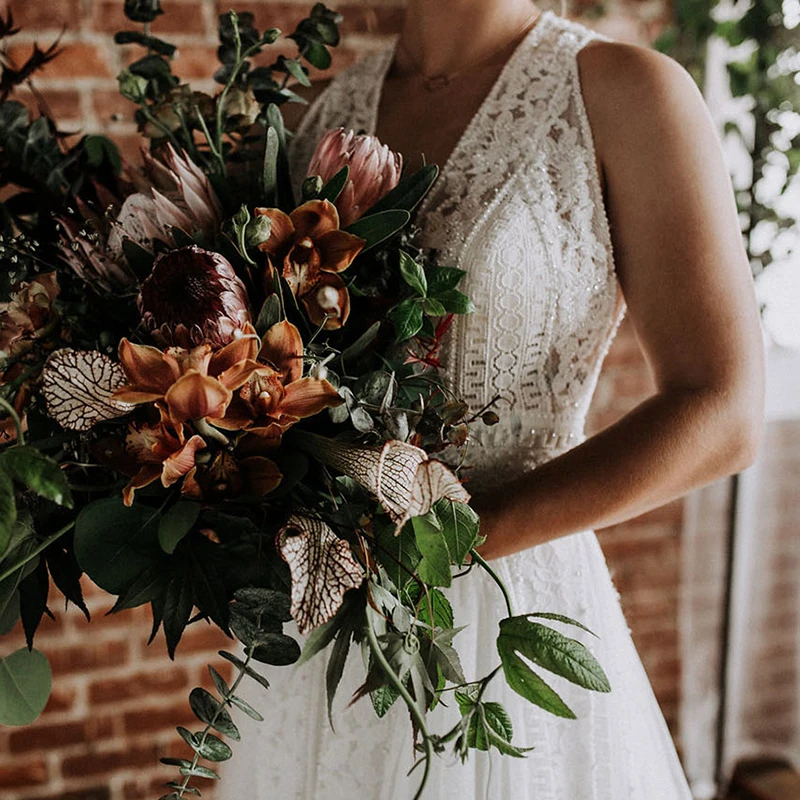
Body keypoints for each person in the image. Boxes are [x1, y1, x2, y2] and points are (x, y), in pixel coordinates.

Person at [224, 1, 764, 797]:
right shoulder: (311, 114)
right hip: (322, 627)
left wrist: (436, 551)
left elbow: (722, 409)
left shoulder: (626, 92)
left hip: (506, 619)